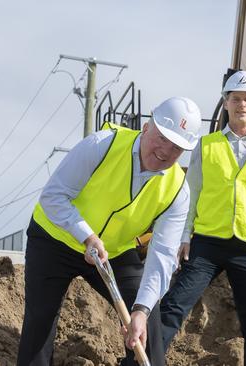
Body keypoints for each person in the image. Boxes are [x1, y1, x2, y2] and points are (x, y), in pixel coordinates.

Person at [16, 96, 202, 366]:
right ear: (148, 127)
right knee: (40, 322)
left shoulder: (178, 190)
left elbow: (161, 255)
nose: (165, 151)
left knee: (147, 328)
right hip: (55, 239)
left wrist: (141, 309)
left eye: (176, 148)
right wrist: (87, 236)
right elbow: (53, 196)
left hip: (113, 253)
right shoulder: (102, 144)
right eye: (162, 138)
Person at [160, 70, 246, 366]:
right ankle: (140, 361)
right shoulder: (206, 146)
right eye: (236, 99)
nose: (242, 105)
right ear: (225, 103)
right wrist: (184, 236)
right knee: (173, 306)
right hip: (208, 244)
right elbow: (190, 194)